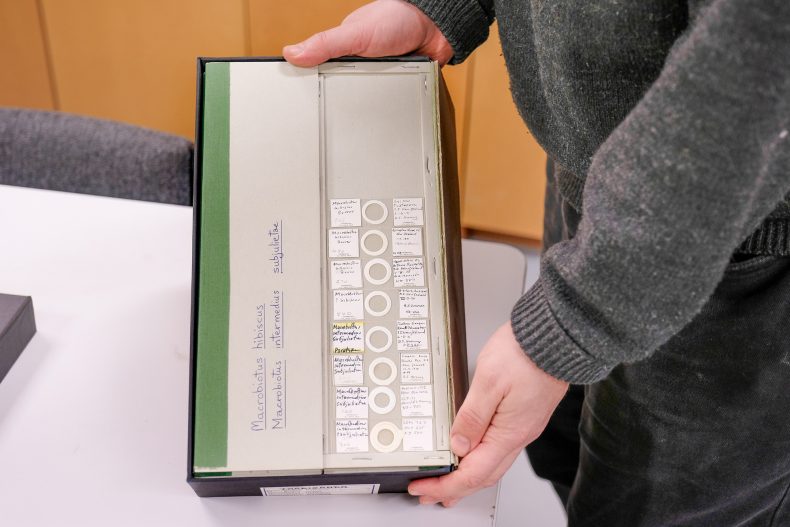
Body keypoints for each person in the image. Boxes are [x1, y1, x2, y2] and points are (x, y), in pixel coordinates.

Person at [284, 1, 790, 524]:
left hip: (743, 239)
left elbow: (762, 59)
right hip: (602, 172)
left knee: (639, 510)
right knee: (562, 449)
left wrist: (575, 321)